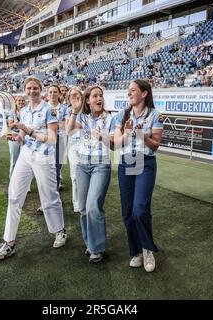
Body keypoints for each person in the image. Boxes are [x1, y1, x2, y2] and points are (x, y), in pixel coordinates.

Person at [0, 77, 67, 260]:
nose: (32, 91)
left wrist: (29, 131)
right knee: (14, 195)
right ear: (25, 90)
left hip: (44, 156)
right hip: (26, 154)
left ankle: (60, 230)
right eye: (29, 88)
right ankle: (9, 242)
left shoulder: (50, 110)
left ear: (40, 90)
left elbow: (52, 139)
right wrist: (17, 137)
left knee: (49, 196)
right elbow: (23, 136)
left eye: (35, 88)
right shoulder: (24, 111)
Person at [114, 80, 164, 273]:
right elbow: (116, 144)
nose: (129, 93)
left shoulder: (155, 115)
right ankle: (135, 252)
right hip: (126, 162)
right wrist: (127, 133)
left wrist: (142, 135)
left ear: (144, 93)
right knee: (127, 212)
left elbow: (155, 146)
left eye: (133, 90)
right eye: (128, 91)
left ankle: (147, 249)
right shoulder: (122, 114)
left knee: (140, 209)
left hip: (146, 163)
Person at [66, 85, 116, 263]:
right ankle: (90, 244)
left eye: (100, 95)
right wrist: (74, 110)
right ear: (88, 100)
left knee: (94, 206)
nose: (99, 98)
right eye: (94, 96)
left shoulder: (110, 119)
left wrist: (102, 136)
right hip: (82, 165)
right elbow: (69, 131)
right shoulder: (82, 117)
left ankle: (97, 248)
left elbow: (114, 144)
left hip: (101, 166)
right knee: (84, 209)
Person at [64, 87, 83, 213]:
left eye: (77, 94)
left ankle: (85, 199)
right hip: (73, 144)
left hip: (87, 143)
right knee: (75, 175)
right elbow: (68, 129)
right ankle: (77, 203)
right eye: (72, 95)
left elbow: (76, 125)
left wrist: (75, 124)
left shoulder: (87, 108)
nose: (74, 97)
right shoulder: (68, 110)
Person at [47, 85, 68, 191]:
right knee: (45, 166)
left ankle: (54, 192)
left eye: (55, 92)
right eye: (50, 92)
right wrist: (58, 123)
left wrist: (52, 124)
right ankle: (46, 194)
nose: (52, 94)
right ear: (47, 94)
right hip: (45, 139)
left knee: (57, 166)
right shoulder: (43, 107)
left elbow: (67, 124)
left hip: (59, 139)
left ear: (59, 94)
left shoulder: (64, 108)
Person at [7, 96, 26, 178]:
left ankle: (24, 182)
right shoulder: (12, 112)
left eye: (22, 100)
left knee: (25, 161)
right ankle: (12, 179)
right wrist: (16, 123)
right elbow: (10, 126)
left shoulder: (27, 111)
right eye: (19, 100)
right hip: (14, 136)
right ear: (16, 102)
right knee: (14, 159)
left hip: (25, 136)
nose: (21, 102)